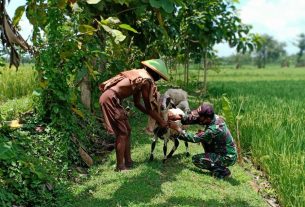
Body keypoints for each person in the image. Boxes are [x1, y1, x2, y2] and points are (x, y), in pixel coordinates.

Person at [99, 59, 169, 171]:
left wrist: (152, 116)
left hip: (112, 99)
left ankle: (128, 162)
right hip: (111, 99)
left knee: (128, 130)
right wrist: (161, 121)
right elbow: (148, 106)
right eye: (159, 76)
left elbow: (137, 104)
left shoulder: (139, 76)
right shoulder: (146, 81)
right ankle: (120, 167)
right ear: (154, 72)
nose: (158, 79)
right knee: (122, 132)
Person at [169, 102, 237, 178]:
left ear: (207, 118)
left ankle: (222, 170)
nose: (198, 117)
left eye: (200, 116)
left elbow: (195, 138)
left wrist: (178, 129)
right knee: (204, 139)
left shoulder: (214, 129)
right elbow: (196, 119)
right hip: (221, 150)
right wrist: (181, 118)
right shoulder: (213, 118)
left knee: (197, 160)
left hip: (227, 157)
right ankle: (213, 160)